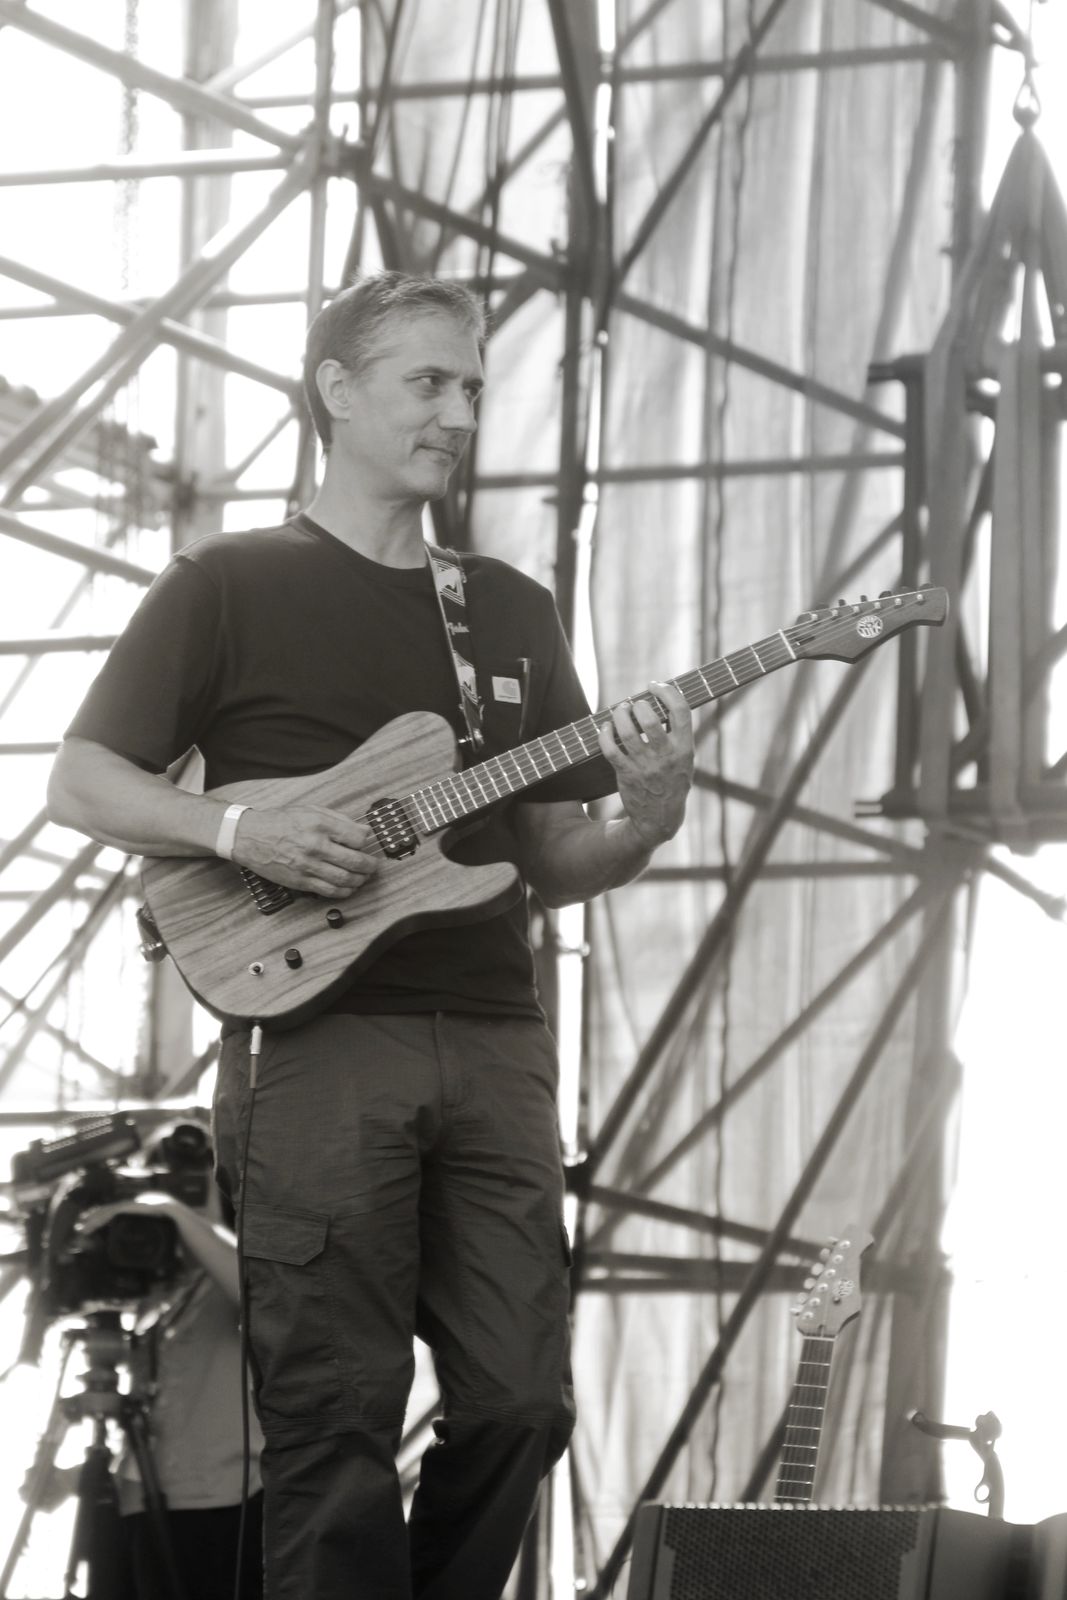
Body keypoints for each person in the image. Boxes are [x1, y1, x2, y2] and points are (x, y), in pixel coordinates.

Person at [46, 271, 695, 1600]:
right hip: (315, 1038)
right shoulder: (227, 582)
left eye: (472, 387)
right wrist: (243, 833)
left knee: (520, 1401)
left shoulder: (506, 609)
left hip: (496, 1039)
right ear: (335, 391)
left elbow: (549, 857)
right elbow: (82, 780)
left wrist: (646, 813)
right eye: (427, 382)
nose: (458, 412)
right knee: (334, 1419)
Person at [23, 1119, 264, 1600]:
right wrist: (72, 1477)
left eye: (188, 1186)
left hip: (221, 1512)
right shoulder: (153, 1299)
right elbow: (156, 1430)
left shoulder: (227, 1281)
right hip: (139, 1510)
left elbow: (259, 1292)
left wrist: (175, 1211)